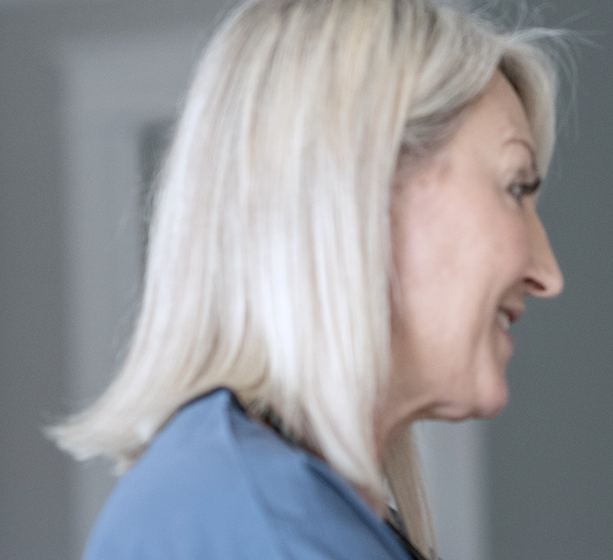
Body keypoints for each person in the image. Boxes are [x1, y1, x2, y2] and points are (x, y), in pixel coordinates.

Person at [48, 0, 565, 558]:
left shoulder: (279, 510)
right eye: (515, 188)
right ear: (361, 189)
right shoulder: (257, 521)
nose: (547, 274)